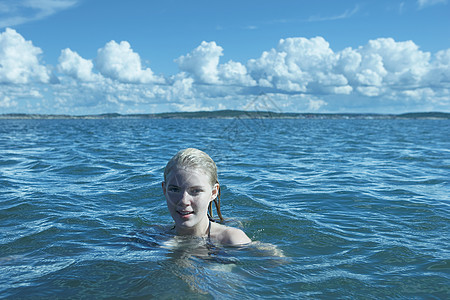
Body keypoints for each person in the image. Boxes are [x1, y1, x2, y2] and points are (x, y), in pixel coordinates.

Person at [162, 148, 251, 246]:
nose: (184, 201)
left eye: (196, 191)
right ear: (164, 190)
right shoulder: (152, 237)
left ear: (213, 192)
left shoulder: (232, 240)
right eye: (174, 190)